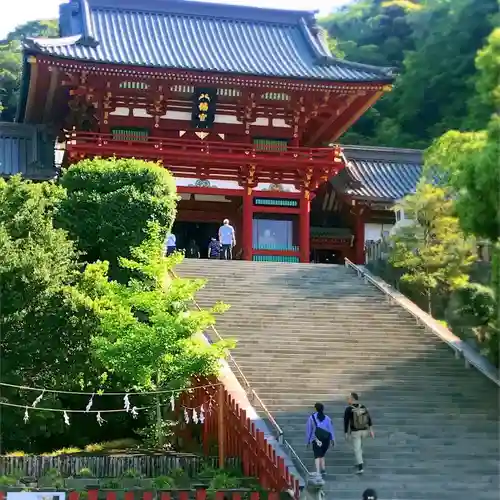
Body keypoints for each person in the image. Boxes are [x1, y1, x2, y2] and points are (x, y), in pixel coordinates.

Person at [344, 392, 374, 474]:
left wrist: (346, 433)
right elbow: (369, 418)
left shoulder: (349, 409)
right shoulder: (363, 407)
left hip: (355, 432)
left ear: (352, 399)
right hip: (364, 431)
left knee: (357, 449)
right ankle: (358, 461)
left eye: (349, 398)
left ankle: (360, 467)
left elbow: (346, 422)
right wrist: (371, 430)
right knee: (360, 446)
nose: (347, 399)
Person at [305, 402, 335, 475]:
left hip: (316, 439)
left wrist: (307, 441)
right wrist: (332, 439)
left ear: (315, 408)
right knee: (322, 454)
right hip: (326, 439)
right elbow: (330, 429)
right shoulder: (327, 418)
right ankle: (323, 469)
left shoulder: (311, 418)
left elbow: (309, 430)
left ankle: (318, 471)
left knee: (317, 455)